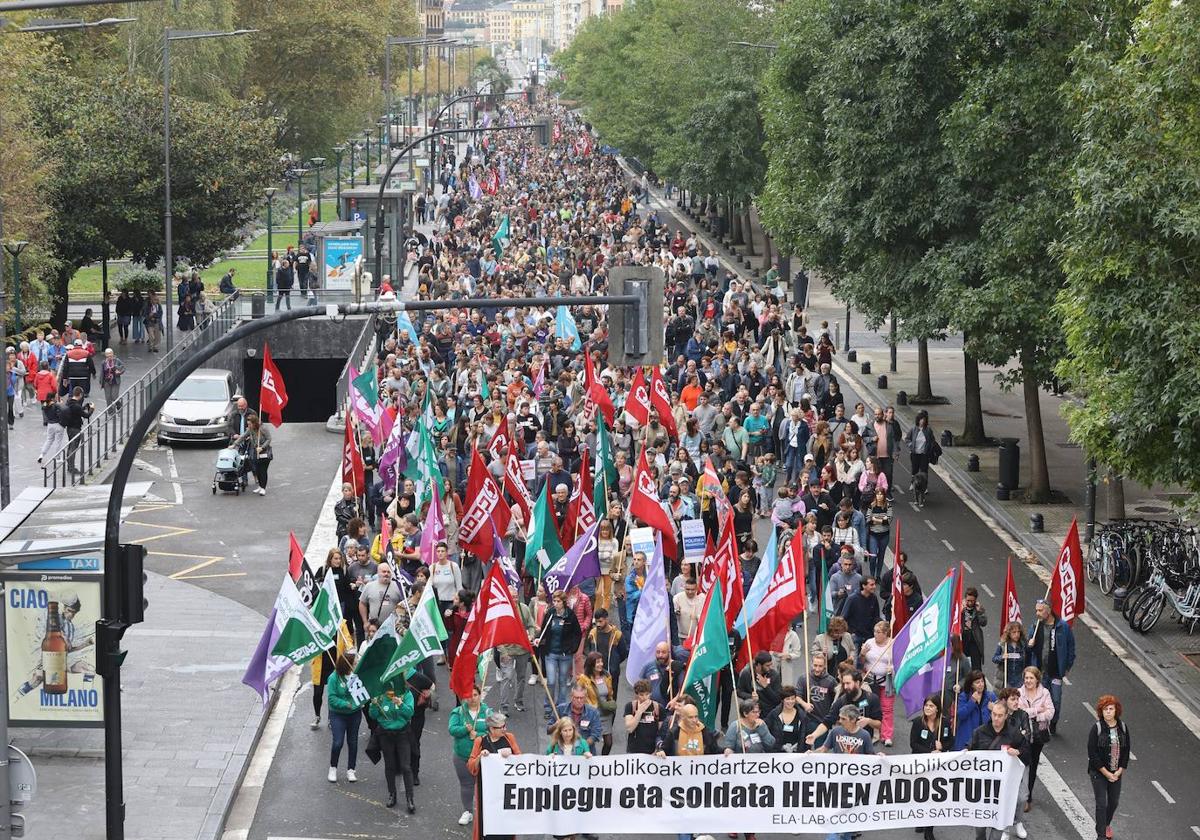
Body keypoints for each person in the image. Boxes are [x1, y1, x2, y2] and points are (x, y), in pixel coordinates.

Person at [967, 700, 1029, 840]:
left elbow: (1026, 753)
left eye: (1000, 715)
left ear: (1006, 715)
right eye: (994, 714)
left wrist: (1018, 751)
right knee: (980, 829)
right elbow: (969, 750)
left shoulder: (1014, 734)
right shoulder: (979, 732)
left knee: (998, 826)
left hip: (1003, 789)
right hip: (983, 788)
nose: (996, 718)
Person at [816, 706, 874, 840]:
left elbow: (871, 757)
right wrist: (810, 754)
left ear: (854, 720)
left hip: (855, 784)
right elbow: (824, 749)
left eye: (844, 719)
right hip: (837, 781)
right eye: (840, 718)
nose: (840, 721)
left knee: (849, 817)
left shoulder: (864, 735)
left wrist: (881, 757)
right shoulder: (835, 732)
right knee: (834, 814)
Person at [467, 712, 521, 840]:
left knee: (506, 827)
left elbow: (521, 762)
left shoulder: (509, 738)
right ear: (491, 728)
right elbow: (470, 766)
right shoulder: (480, 741)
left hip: (506, 791)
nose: (505, 729)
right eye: (501, 727)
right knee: (488, 826)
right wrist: (480, 757)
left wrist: (512, 755)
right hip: (487, 794)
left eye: (505, 726)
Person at [1026, 598, 1075, 734]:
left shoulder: (1062, 627)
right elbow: (1028, 647)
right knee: (1041, 700)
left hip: (1055, 672)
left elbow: (1071, 647)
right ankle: (1042, 724)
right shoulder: (1036, 626)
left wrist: (1067, 666)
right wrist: (1029, 644)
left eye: (1040, 610)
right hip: (1040, 672)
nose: (1037, 613)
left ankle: (1053, 721)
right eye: (1036, 610)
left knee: (1056, 700)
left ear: (1048, 611)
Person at [1087, 694, 1129, 840]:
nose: (1108, 712)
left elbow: (1126, 752)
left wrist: (1118, 772)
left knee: (1114, 802)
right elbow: (1093, 754)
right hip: (1099, 773)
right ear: (1101, 712)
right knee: (1101, 803)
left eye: (1111, 709)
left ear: (1116, 711)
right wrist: (1106, 773)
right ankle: (1101, 836)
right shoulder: (1097, 728)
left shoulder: (1123, 727)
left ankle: (1105, 824)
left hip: (1116, 772)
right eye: (1105, 709)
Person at [369, 682, 416, 811]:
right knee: (389, 766)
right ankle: (392, 794)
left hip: (402, 734)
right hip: (385, 734)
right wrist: (374, 705)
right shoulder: (380, 695)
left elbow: (410, 713)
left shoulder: (406, 694)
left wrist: (400, 704)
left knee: (406, 766)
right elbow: (373, 715)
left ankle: (410, 798)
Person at [806, 669, 881, 748]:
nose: (845, 687)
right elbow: (827, 722)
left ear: (857, 683)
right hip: (843, 745)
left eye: (848, 683)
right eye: (844, 683)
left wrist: (868, 721)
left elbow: (879, 724)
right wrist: (814, 735)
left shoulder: (872, 699)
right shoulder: (841, 701)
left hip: (864, 745)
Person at [449, 684, 491, 826]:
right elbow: (452, 730)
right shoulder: (458, 712)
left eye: (475, 695)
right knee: (466, 785)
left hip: (483, 757)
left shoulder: (488, 712)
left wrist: (477, 735)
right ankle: (468, 811)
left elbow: (496, 733)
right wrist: (465, 730)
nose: (472, 698)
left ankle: (487, 812)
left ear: (480, 695)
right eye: (469, 696)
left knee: (486, 785)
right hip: (462, 756)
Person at [538, 590, 583, 717]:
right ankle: (548, 708)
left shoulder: (570, 615)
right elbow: (544, 630)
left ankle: (562, 708)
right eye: (554, 601)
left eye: (558, 601)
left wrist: (572, 649)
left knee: (563, 682)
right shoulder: (550, 613)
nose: (555, 603)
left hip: (565, 655)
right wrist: (540, 639)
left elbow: (577, 633)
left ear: (563, 602)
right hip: (551, 653)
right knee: (551, 682)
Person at [1017, 666, 1054, 812]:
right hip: (1024, 735)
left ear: (1037, 679)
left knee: (1032, 765)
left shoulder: (1044, 693)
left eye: (1031, 678)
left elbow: (1051, 712)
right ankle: (1018, 792)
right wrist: (1038, 709)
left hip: (1039, 734)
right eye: (1026, 678)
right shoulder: (1019, 693)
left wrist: (1036, 716)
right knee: (1022, 765)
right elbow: (1020, 712)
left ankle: (1028, 797)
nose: (1028, 681)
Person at [325, 651, 366, 783]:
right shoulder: (333, 678)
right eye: (354, 663)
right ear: (347, 664)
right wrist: (345, 704)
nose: (356, 665)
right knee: (338, 742)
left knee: (353, 742)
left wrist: (363, 700)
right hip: (338, 714)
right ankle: (333, 767)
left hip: (354, 714)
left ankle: (351, 769)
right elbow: (331, 698)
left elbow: (363, 692)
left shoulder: (357, 676)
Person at [858, 620, 894, 746]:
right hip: (869, 681)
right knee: (867, 705)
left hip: (886, 681)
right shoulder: (869, 643)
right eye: (874, 631)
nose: (875, 634)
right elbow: (861, 662)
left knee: (887, 708)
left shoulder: (892, 644)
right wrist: (862, 654)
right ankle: (870, 733)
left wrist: (893, 669)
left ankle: (887, 735)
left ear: (885, 633)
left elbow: (900, 662)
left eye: (878, 632)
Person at [576, 653, 617, 755]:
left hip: (605, 713)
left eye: (601, 661)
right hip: (591, 714)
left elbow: (610, 693)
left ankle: (601, 763)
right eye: (597, 662)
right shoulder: (584, 679)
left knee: (608, 743)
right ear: (591, 664)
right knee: (589, 742)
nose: (601, 664)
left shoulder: (607, 675)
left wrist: (609, 703)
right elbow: (578, 694)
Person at [764, 686, 817, 753]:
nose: (790, 701)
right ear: (782, 700)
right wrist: (778, 747)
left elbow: (807, 736)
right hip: (777, 753)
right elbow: (766, 733)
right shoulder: (774, 714)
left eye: (793, 699)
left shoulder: (802, 716)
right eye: (787, 699)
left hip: (797, 754)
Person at [954, 670, 997, 750]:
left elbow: (1000, 715)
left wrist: (994, 709)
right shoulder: (964, 696)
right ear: (971, 685)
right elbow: (960, 715)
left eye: (982, 681)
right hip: (967, 737)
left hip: (985, 738)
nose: (981, 684)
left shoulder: (990, 696)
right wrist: (972, 702)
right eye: (977, 682)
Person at [624, 679, 665, 754]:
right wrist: (639, 712)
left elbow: (661, 732)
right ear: (637, 694)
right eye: (641, 695)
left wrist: (658, 749)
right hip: (634, 750)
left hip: (652, 751)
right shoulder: (630, 706)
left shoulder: (658, 708)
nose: (645, 697)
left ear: (650, 693)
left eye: (647, 694)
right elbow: (630, 728)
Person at [736, 651, 783, 717]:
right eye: (767, 665)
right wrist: (750, 696)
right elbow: (739, 691)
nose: (770, 667)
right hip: (751, 710)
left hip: (769, 711)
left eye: (771, 664)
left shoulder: (774, 675)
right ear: (758, 665)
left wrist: (766, 687)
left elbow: (777, 699)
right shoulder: (747, 673)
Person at [639, 640, 684, 705]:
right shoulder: (648, 667)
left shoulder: (676, 667)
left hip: (669, 709)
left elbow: (682, 689)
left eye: (663, 652)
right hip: (651, 709)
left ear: (669, 653)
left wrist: (676, 700)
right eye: (658, 652)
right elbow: (639, 688)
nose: (660, 655)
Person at [244, 413, 273, 495]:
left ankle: (263, 488)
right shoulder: (250, 429)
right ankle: (260, 486)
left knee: (263, 470)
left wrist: (262, 447)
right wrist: (234, 444)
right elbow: (243, 436)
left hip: (265, 452)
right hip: (256, 453)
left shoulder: (263, 428)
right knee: (257, 470)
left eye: (250, 424)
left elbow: (269, 439)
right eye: (248, 424)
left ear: (254, 423)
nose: (248, 426)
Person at [961, 587, 989, 673]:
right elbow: (953, 620)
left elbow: (983, 623)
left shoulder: (978, 608)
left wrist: (979, 611)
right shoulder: (960, 606)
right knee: (961, 664)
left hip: (974, 639)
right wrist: (960, 611)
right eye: (968, 600)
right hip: (962, 638)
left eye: (972, 601)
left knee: (976, 666)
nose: (969, 603)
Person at [993, 621, 1027, 689]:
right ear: (1009, 633)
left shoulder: (1023, 645)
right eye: (1014, 632)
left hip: (1019, 680)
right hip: (1006, 679)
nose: (1017, 634)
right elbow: (994, 658)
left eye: (1018, 632)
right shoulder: (1003, 645)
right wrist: (1002, 657)